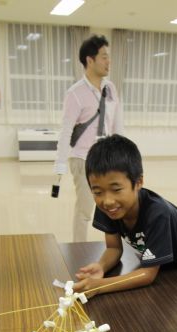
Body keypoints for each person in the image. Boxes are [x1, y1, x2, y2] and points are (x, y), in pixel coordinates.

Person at [73, 135, 177, 297]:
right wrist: (101, 266)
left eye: (116, 189)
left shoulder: (157, 214)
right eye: (97, 191)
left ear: (139, 182)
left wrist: (100, 286)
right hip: (166, 260)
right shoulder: (108, 207)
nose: (108, 201)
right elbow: (113, 248)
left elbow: (148, 274)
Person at [54, 34, 124, 243]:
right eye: (103, 57)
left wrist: (122, 154)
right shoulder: (74, 94)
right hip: (82, 158)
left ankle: (115, 248)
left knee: (114, 205)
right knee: (85, 209)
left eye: (108, 57)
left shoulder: (110, 89)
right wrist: (60, 163)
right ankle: (78, 248)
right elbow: (66, 130)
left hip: (106, 158)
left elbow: (117, 124)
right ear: (89, 60)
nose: (108, 61)